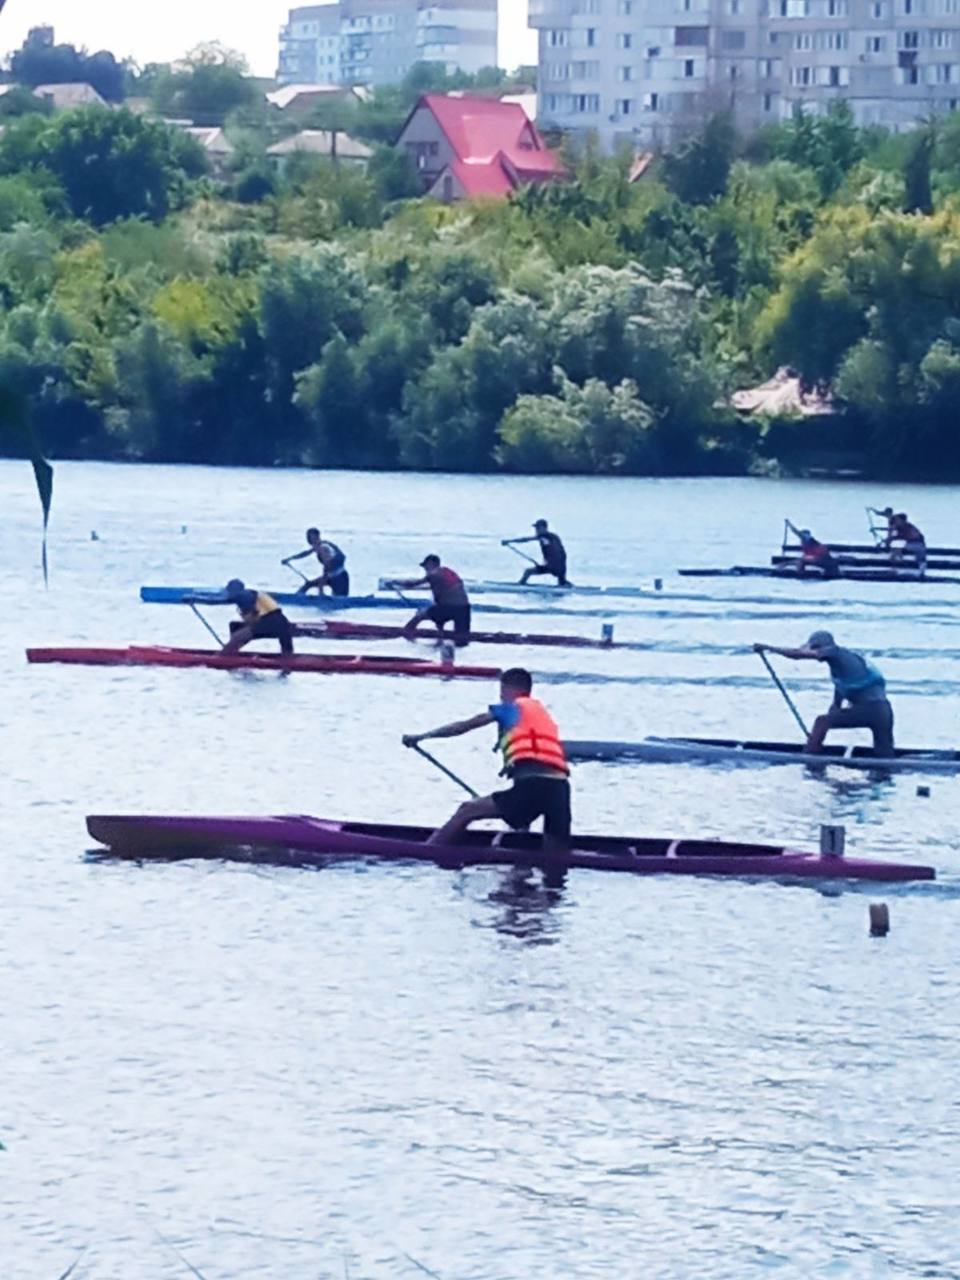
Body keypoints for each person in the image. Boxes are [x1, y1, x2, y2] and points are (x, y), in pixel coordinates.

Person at [402, 667, 571, 849]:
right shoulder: (541, 713)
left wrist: (422, 736)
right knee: (555, 855)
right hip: (560, 790)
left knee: (467, 810)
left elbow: (463, 726)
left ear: (507, 689)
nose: (500, 696)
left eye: (501, 691)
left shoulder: (510, 708)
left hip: (533, 788)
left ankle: (426, 852)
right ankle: (527, 869)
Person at [753, 632, 894, 757]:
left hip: (872, 709)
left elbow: (797, 655)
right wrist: (816, 739)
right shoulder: (842, 670)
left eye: (816, 648)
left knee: (821, 722)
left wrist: (768, 648)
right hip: (884, 712)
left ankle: (809, 761)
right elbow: (836, 707)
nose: (814, 653)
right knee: (885, 756)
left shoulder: (837, 654)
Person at [386, 554, 472, 647]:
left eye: (426, 566)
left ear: (432, 564)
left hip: (449, 607)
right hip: (464, 609)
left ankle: (406, 635)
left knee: (420, 616)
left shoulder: (433, 574)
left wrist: (394, 582)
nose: (425, 569)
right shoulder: (448, 572)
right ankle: (442, 638)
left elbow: (412, 584)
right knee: (461, 639)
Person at [222, 579, 294, 655]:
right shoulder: (248, 595)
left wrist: (238, 637)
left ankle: (225, 655)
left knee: (238, 635)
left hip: (272, 621)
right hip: (279, 622)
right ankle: (231, 652)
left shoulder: (246, 597)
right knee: (234, 626)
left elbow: (250, 618)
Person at [282, 528, 349, 597]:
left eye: (314, 538)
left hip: (339, 578)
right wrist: (289, 559)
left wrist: (321, 589)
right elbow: (305, 553)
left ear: (318, 536)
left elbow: (327, 565)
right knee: (308, 584)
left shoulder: (323, 548)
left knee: (340, 598)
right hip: (332, 577)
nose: (312, 541)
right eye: (311, 538)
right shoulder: (318, 546)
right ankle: (297, 597)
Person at [503, 519, 571, 587]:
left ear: (544, 528)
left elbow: (525, 539)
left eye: (538, 528)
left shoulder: (544, 537)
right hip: (561, 567)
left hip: (554, 567)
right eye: (536, 528)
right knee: (562, 584)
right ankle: (565, 584)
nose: (536, 530)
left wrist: (509, 541)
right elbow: (560, 554)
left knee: (528, 572)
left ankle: (520, 586)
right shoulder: (553, 537)